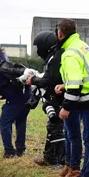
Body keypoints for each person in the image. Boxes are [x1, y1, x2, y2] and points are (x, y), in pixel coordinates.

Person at [55, 19, 89, 177]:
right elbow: (83, 75)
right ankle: (83, 174)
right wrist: (65, 86)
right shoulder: (82, 45)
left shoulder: (69, 53)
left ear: (60, 33)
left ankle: (88, 176)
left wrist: (66, 107)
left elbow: (75, 84)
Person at [25, 31, 65, 167]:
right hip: (54, 97)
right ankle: (49, 157)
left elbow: (49, 79)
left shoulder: (55, 58)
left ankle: (60, 160)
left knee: (57, 128)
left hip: (59, 98)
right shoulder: (52, 58)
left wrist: (34, 80)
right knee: (52, 126)